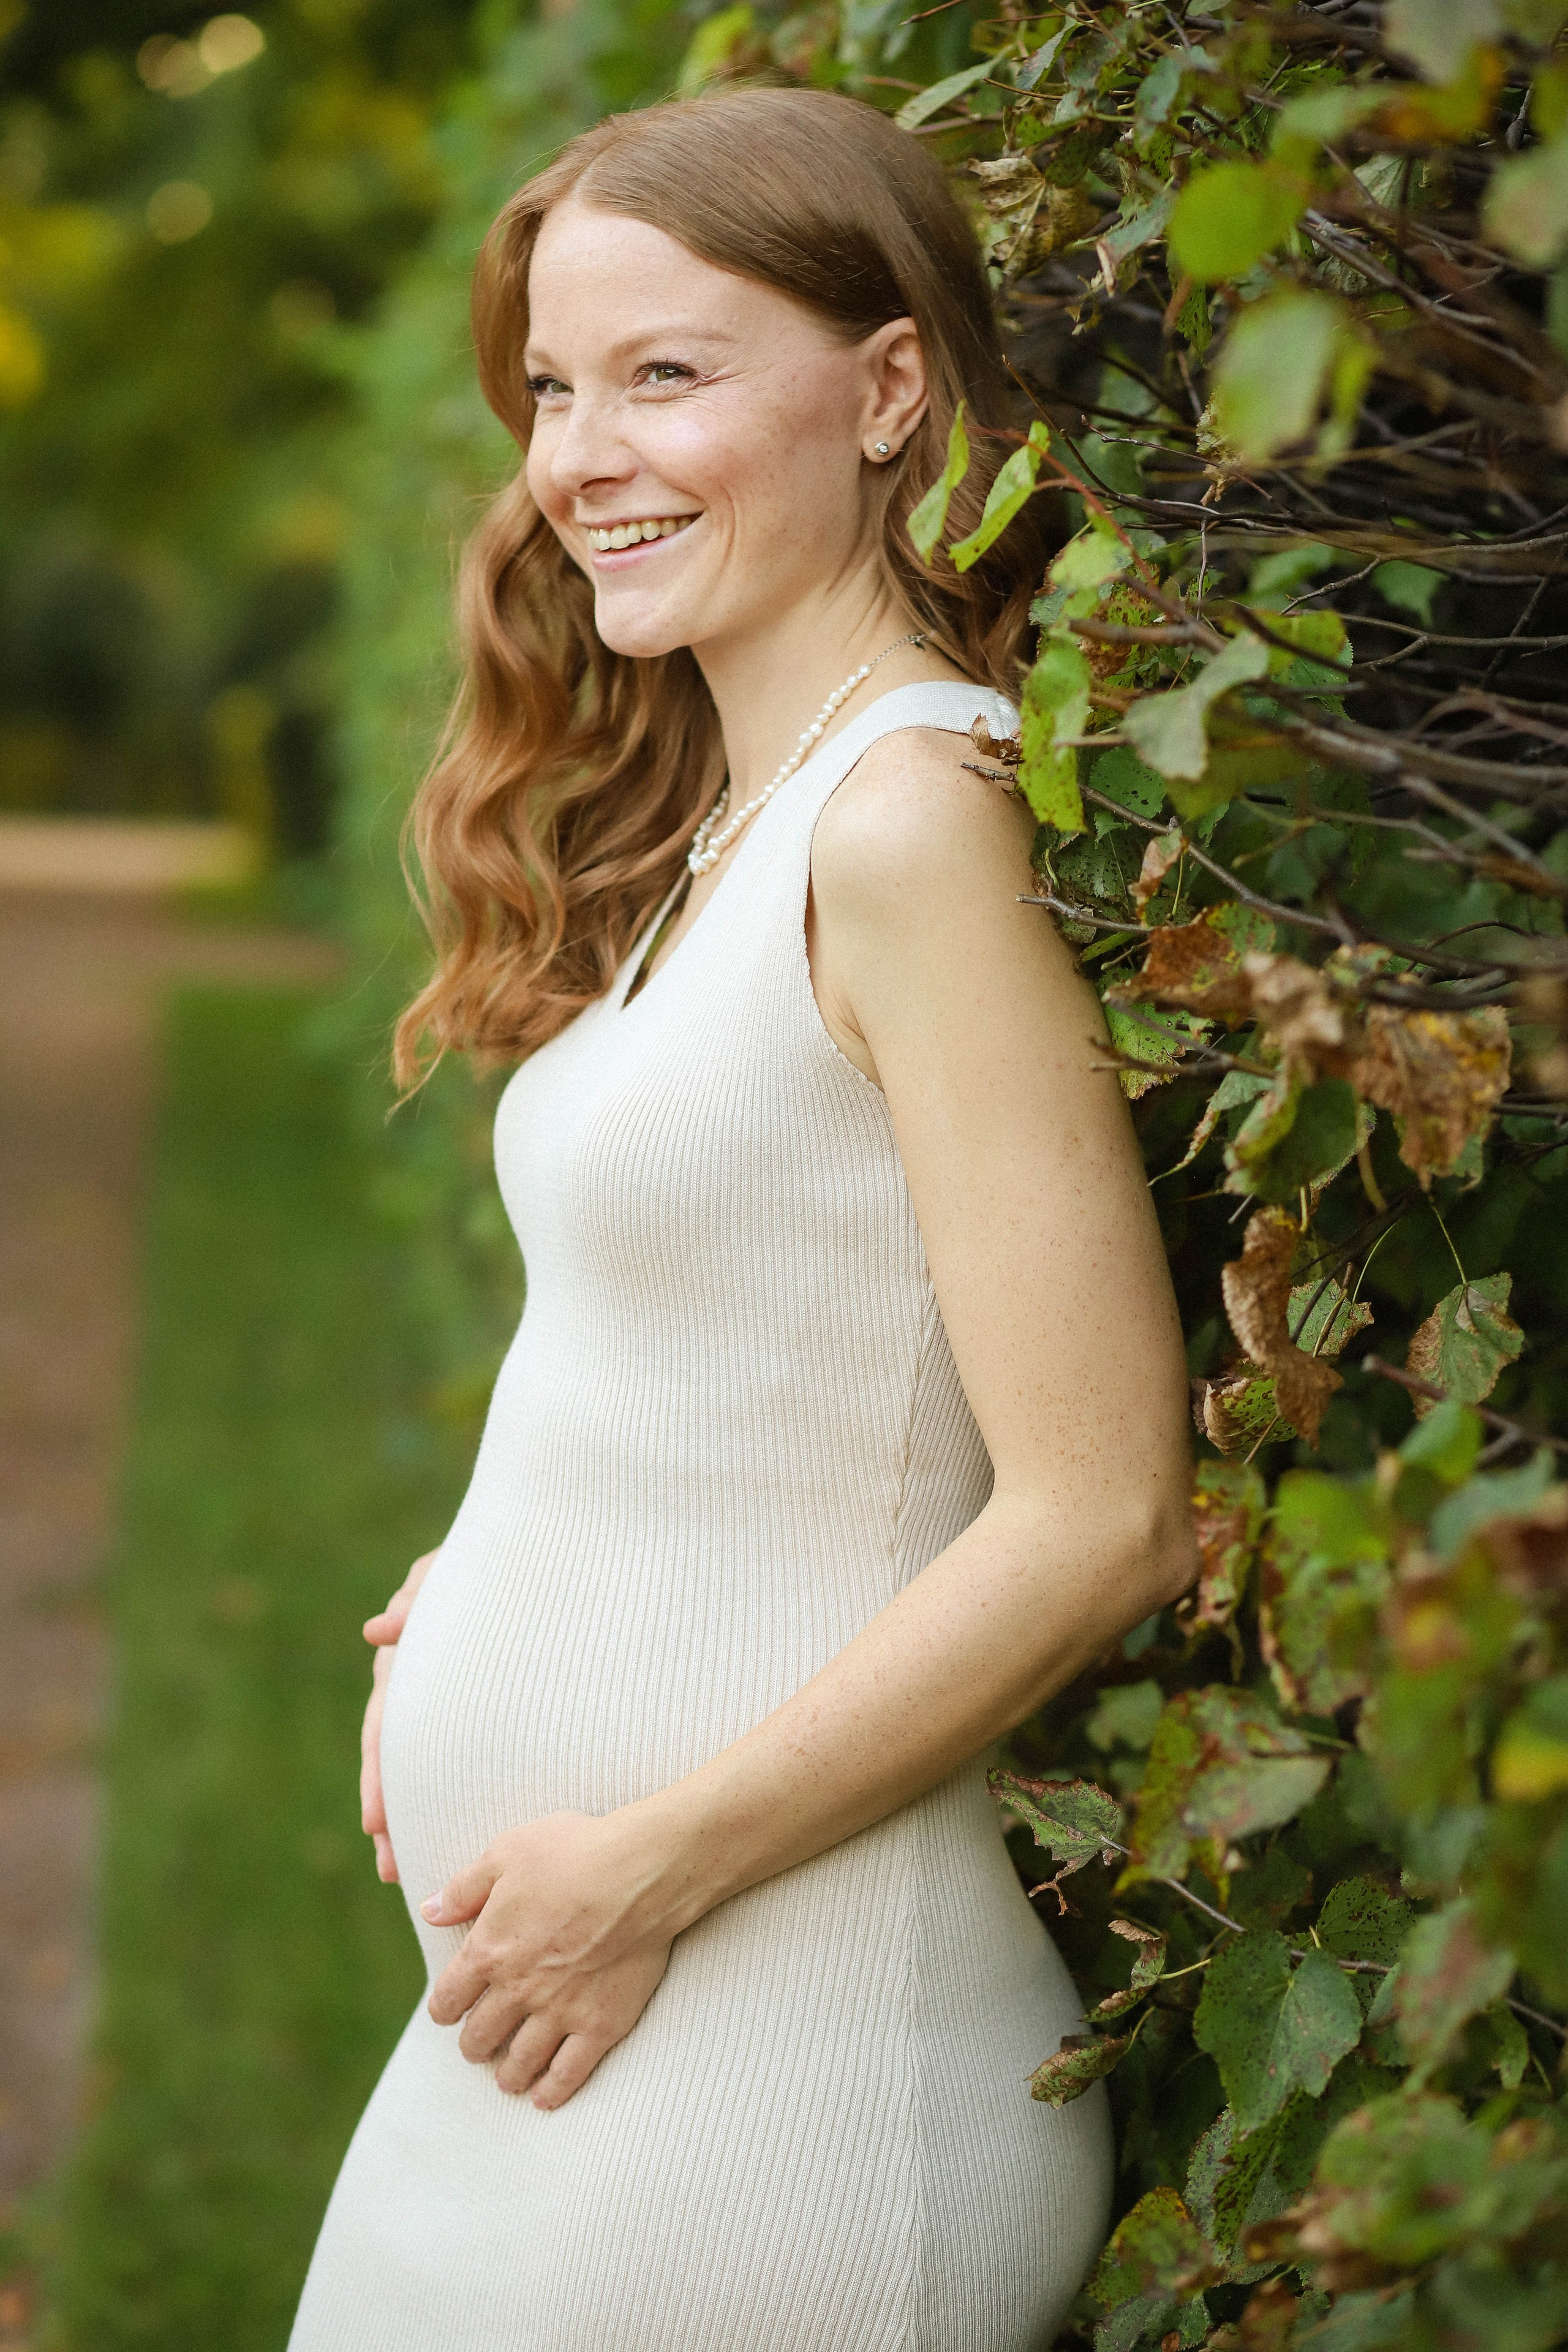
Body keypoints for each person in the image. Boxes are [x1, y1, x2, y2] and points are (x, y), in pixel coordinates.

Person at [289, 83, 1196, 2352]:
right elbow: (749, 1344)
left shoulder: (913, 821)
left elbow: (1103, 1507)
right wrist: (498, 1576)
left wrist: (638, 1869)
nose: (582, 454)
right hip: (585, 2012)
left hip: (778, 2042)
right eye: (555, 389)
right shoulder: (741, 818)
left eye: (667, 375)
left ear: (890, 388)